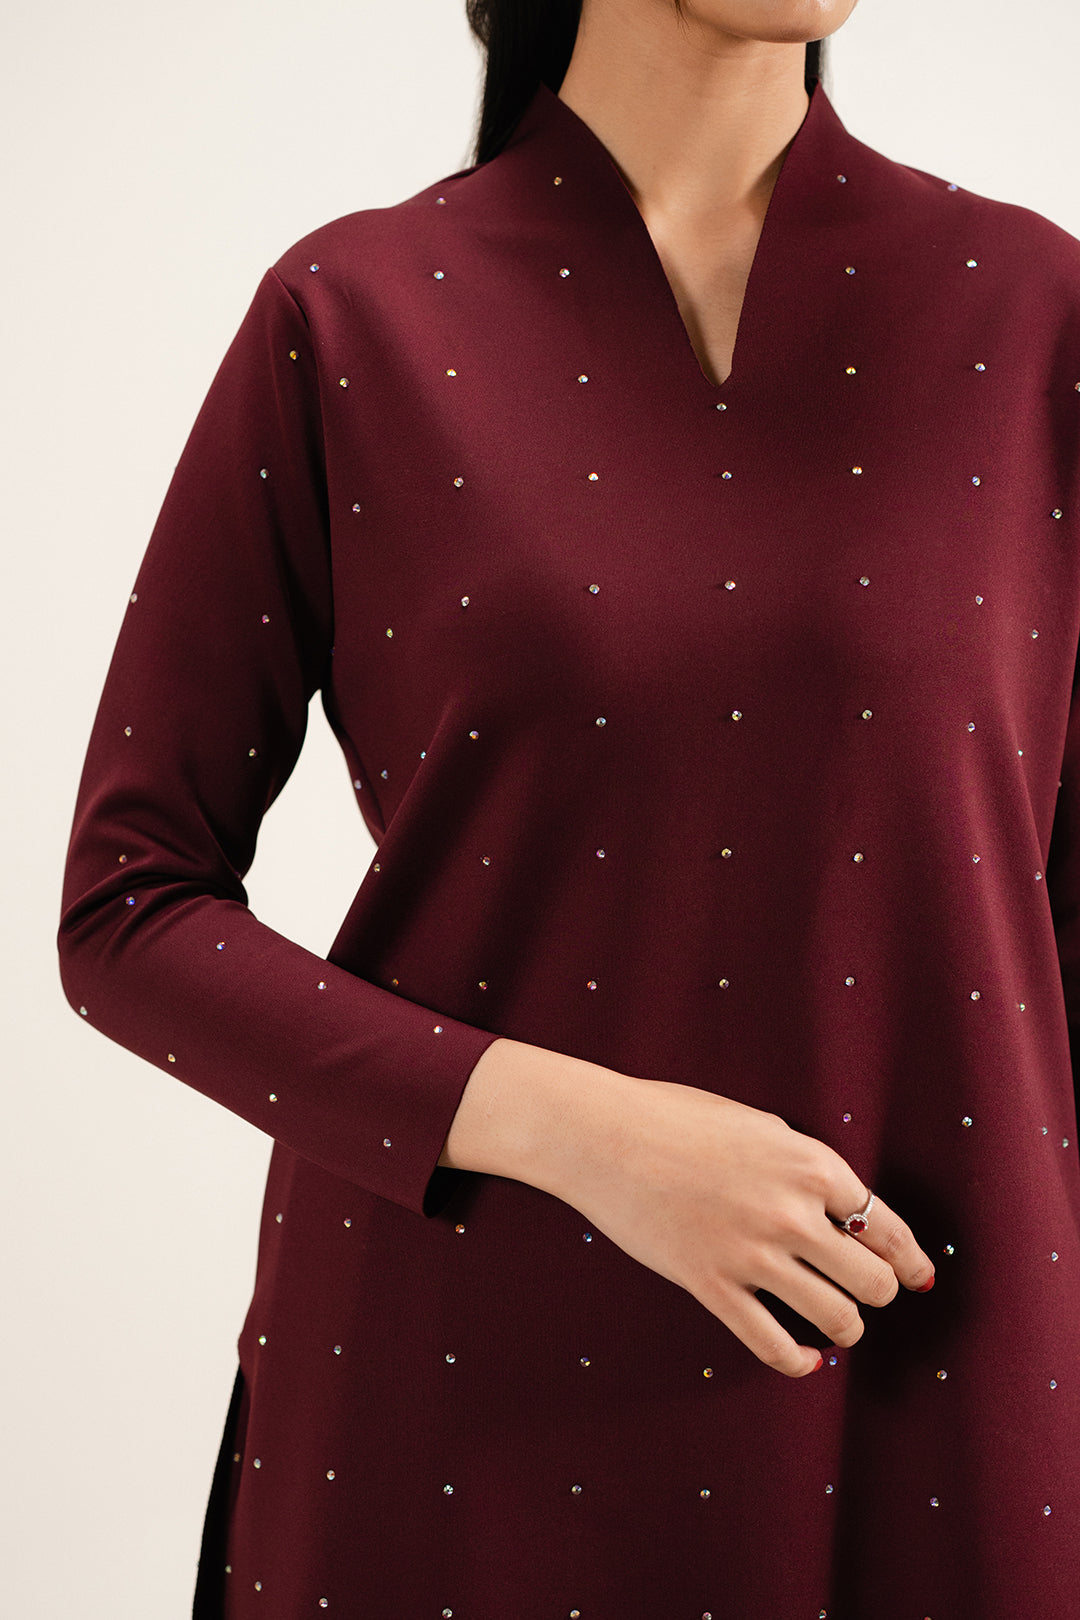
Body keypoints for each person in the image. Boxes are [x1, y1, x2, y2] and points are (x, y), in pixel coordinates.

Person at [57, 0, 1080, 1614]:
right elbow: (127, 906)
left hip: (933, 1372)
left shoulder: (1033, 312)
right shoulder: (354, 316)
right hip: (459, 1391)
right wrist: (587, 1136)